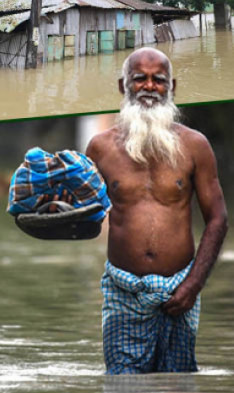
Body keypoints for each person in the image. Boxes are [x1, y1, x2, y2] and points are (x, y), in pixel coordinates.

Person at [85, 47, 227, 374]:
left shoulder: (195, 146)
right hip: (123, 290)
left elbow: (218, 220)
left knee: (178, 386)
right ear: (123, 87)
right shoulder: (100, 147)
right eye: (140, 79)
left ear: (172, 87)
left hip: (181, 290)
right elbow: (84, 214)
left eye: (158, 80)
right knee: (122, 385)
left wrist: (193, 285)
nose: (149, 86)